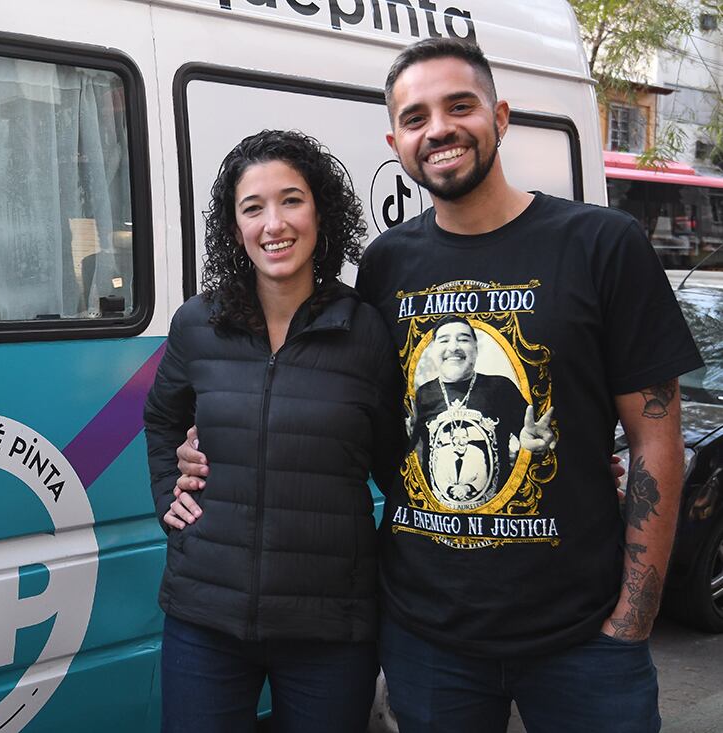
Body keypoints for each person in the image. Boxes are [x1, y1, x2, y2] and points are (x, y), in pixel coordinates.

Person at [174, 39, 702, 733]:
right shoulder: (390, 263)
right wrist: (210, 449)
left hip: (580, 638)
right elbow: (357, 418)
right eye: (416, 117)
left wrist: (635, 614)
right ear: (397, 141)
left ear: (500, 116)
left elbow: (657, 438)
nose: (440, 129)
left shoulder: (601, 243)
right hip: (428, 637)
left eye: (460, 106)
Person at [143, 129, 404, 733]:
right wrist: (167, 495)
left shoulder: (367, 332)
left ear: (321, 212)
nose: (273, 224)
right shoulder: (197, 324)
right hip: (205, 616)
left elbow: (401, 466)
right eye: (252, 208)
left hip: (330, 627)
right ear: (235, 230)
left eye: (291, 200)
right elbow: (161, 417)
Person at [410, 314, 554, 510]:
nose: (453, 347)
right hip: (439, 515)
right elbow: (411, 449)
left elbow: (532, 436)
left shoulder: (500, 387)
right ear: (434, 350)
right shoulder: (423, 393)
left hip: (496, 512)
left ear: (475, 349)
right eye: (444, 340)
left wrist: (532, 443)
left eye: (463, 339)